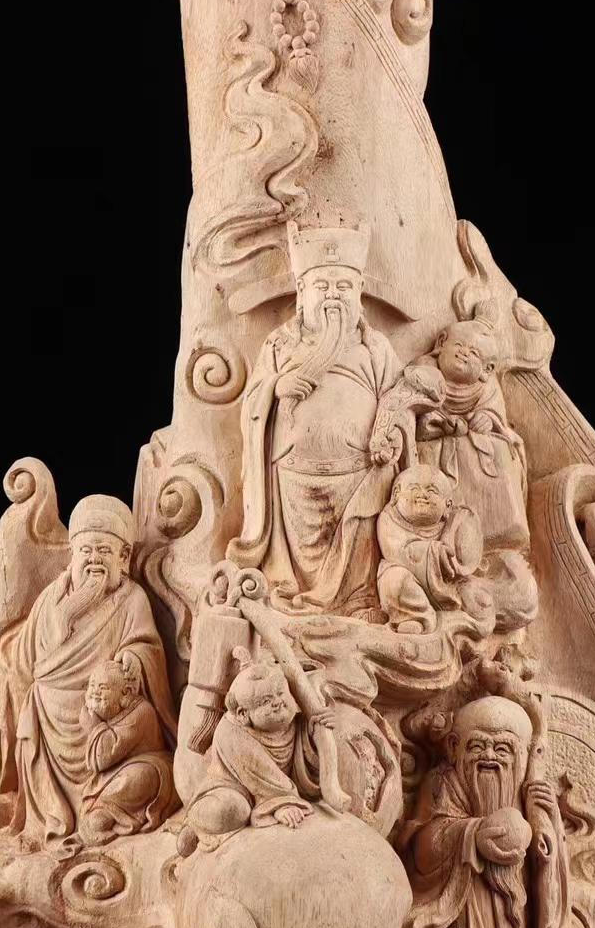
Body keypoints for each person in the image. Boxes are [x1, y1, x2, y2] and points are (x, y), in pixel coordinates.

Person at [227, 222, 404, 619]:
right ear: (301, 291)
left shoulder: (375, 347)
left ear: (359, 291)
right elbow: (252, 400)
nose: (333, 296)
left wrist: (393, 433)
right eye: (322, 286)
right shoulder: (280, 344)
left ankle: (359, 601)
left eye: (343, 287)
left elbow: (399, 400)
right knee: (294, 570)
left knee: (358, 561)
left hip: (360, 477)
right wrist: (276, 385)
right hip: (293, 477)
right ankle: (289, 591)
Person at [0, 494, 177, 849]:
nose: (94, 560)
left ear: (123, 558)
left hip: (107, 720)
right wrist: (66, 616)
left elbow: (145, 645)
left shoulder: (131, 599)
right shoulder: (49, 600)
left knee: (146, 774)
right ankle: (50, 820)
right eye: (86, 551)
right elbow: (24, 663)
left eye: (104, 551)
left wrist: (132, 660)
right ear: (72, 556)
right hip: (48, 722)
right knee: (41, 774)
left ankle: (103, 811)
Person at [401, 696, 564, 928]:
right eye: (477, 746)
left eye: (502, 749)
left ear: (521, 756)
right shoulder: (442, 783)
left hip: (515, 914)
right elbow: (420, 847)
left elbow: (548, 860)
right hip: (462, 903)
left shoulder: (527, 794)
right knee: (472, 872)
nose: (489, 756)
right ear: (454, 747)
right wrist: (470, 835)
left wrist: (550, 826)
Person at [178, 655, 337, 854]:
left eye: (280, 693)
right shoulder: (231, 732)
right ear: (243, 714)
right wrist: (281, 803)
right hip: (231, 788)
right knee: (234, 810)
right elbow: (263, 776)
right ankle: (195, 823)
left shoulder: (296, 723)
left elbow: (308, 760)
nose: (278, 702)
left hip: (277, 791)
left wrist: (316, 729)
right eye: (265, 701)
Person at [415, 315, 529, 551]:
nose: (464, 353)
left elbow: (495, 414)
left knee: (502, 451)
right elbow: (413, 404)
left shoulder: (487, 386)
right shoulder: (425, 368)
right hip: (431, 436)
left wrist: (487, 418)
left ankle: (501, 525)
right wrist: (437, 421)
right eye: (459, 345)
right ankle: (439, 528)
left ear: (486, 369)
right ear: (441, 343)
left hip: (470, 440)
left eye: (474, 353)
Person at [376, 464, 485, 633]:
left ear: (447, 506)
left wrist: (457, 554)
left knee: (476, 596)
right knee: (393, 581)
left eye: (432, 491)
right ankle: (418, 617)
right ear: (396, 494)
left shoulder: (453, 522)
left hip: (447, 586)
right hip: (409, 581)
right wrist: (435, 552)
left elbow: (465, 557)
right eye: (414, 488)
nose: (423, 495)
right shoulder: (388, 519)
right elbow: (396, 552)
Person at [79, 660, 177, 845]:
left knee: (139, 777)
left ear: (126, 693)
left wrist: (94, 727)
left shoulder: (141, 711)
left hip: (150, 767)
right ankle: (101, 811)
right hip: (115, 772)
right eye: (92, 686)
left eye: (103, 688)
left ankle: (109, 813)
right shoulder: (110, 714)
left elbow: (102, 758)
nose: (94, 693)